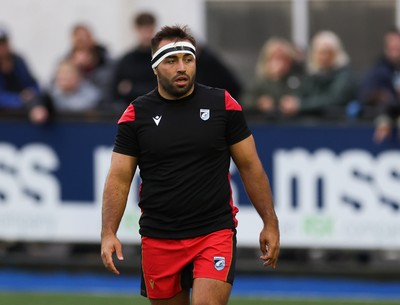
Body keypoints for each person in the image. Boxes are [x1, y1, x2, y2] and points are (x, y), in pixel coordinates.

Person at [101, 25, 280, 304]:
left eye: (188, 59)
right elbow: (119, 178)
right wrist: (108, 232)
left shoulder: (223, 104)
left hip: (213, 232)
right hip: (159, 236)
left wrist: (270, 222)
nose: (181, 67)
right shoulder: (136, 114)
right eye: (171, 61)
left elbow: (251, 167)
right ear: (155, 68)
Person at [280, 30, 357, 119]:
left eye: (328, 52)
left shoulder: (345, 75)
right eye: (320, 52)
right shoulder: (312, 74)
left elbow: (334, 98)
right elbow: (302, 93)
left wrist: (301, 105)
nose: (324, 57)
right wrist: (292, 102)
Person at [241, 37, 304, 118]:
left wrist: (297, 104)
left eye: (283, 58)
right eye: (275, 58)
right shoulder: (259, 82)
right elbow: (245, 100)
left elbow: (308, 97)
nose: (279, 63)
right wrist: (259, 103)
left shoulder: (296, 80)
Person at [109, 12, 158, 112]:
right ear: (136, 30)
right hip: (131, 113)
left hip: (158, 110)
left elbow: (163, 88)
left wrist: (131, 89)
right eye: (143, 31)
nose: (146, 35)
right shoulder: (126, 60)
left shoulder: (161, 59)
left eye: (149, 30)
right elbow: (115, 90)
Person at [358, 28, 400, 142]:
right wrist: (384, 119)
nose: (395, 52)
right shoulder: (378, 70)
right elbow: (365, 95)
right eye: (391, 48)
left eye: (398, 47)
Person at [29, 59, 102, 123]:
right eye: (62, 74)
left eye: (69, 74)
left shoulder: (93, 95)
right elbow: (39, 99)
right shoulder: (51, 93)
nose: (66, 78)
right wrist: (38, 107)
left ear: (79, 77)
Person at [0, 26, 40, 111]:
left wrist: (30, 93)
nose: (2, 48)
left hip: (22, 115)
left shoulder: (18, 61)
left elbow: (33, 84)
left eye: (3, 43)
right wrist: (18, 99)